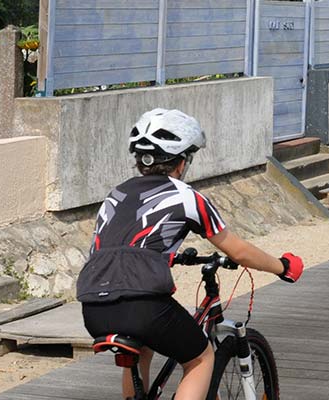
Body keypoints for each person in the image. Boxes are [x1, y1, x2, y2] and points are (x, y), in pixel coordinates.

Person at [77, 108, 304, 400]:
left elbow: (119, 248)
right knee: (200, 359)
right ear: (182, 162)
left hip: (93, 306)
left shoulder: (114, 196)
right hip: (144, 306)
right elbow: (239, 251)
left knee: (141, 350)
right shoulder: (186, 196)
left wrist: (166, 256)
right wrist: (282, 267)